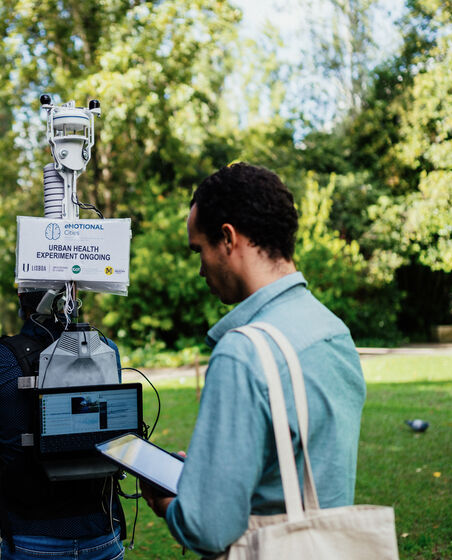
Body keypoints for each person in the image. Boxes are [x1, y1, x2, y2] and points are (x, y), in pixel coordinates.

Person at [141, 163, 366, 556]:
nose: (200, 270)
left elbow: (208, 529)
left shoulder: (242, 352)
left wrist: (168, 505)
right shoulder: (332, 330)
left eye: (200, 250)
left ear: (227, 238)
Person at [0, 290, 126, 560]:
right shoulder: (107, 350)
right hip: (102, 533)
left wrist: (22, 487)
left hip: (30, 535)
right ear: (73, 298)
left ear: (21, 297)